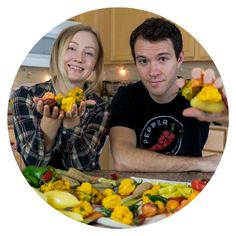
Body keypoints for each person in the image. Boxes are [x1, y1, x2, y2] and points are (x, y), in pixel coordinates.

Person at [109, 17, 228, 172]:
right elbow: (123, 159)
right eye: (143, 61)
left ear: (179, 59)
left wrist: (228, 113)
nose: (153, 72)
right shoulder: (126, 96)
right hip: (138, 189)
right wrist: (201, 163)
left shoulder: (197, 94)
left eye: (163, 58)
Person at [12, 23, 110, 170]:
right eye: (71, 48)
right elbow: (34, 165)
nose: (79, 58)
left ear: (95, 64)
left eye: (89, 53)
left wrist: (72, 124)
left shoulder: (100, 106)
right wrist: (49, 123)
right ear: (58, 52)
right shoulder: (25, 96)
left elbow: (81, 167)